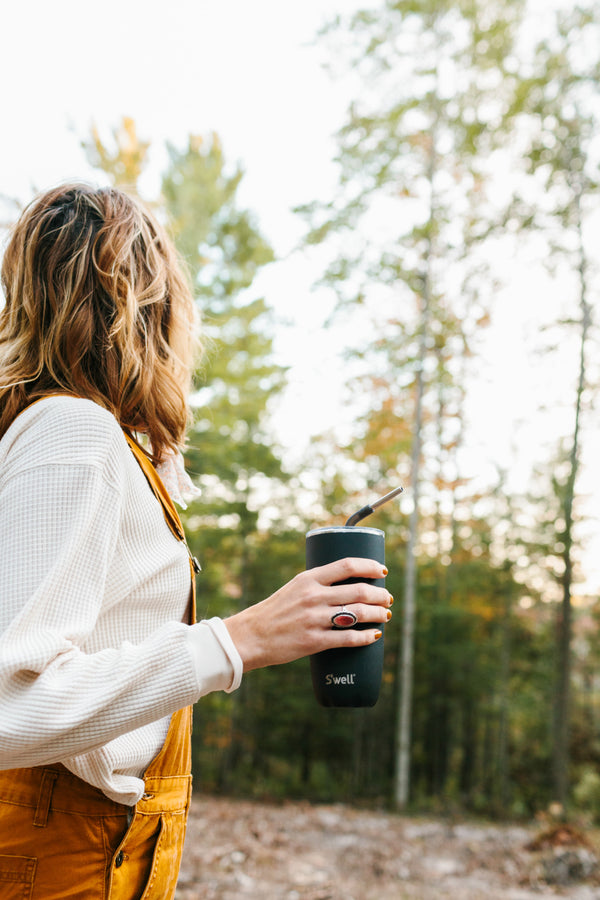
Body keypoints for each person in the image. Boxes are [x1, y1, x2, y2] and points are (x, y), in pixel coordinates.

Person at [0, 183, 392, 899]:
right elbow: (8, 705)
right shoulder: (73, 435)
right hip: (56, 853)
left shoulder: (85, 438)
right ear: (147, 302)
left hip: (97, 842)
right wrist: (237, 640)